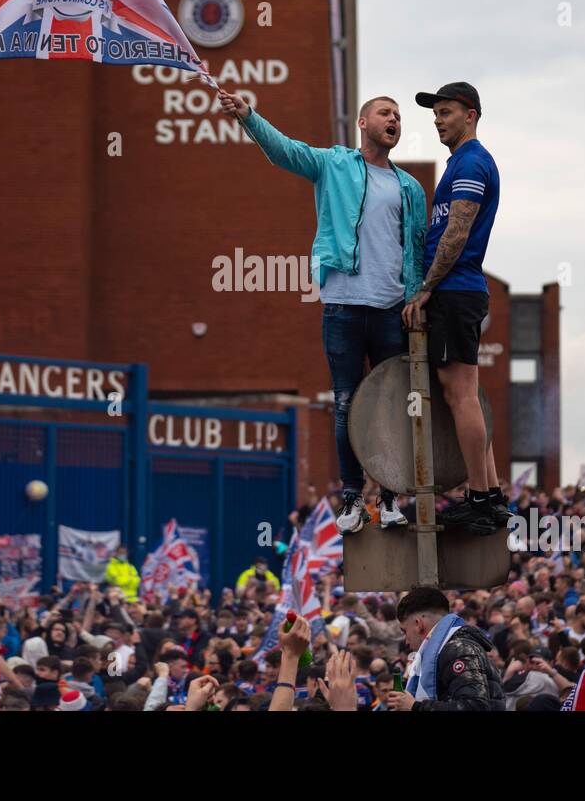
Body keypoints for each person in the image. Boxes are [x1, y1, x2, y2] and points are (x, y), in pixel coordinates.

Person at [218, 89, 424, 535]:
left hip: (392, 309)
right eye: (385, 113)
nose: (395, 120)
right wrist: (249, 117)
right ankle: (352, 497)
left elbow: (419, 249)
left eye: (399, 116)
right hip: (343, 307)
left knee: (390, 408)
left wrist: (416, 298)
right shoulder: (333, 165)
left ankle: (389, 498)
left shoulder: (410, 187)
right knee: (346, 403)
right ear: (364, 124)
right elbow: (285, 152)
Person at [400, 82, 509, 535]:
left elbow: (458, 232)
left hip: (455, 290)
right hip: (460, 291)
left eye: (446, 112)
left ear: (471, 114)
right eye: (436, 115)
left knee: (460, 394)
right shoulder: (459, 163)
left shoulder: (471, 161)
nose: (439, 121)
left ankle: (481, 499)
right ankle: (492, 495)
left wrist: (427, 287)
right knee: (464, 395)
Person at [382, 587, 505, 711]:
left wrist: (414, 706)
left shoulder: (459, 649)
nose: (406, 641)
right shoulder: (453, 648)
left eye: (405, 631)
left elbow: (474, 706)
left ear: (419, 624)